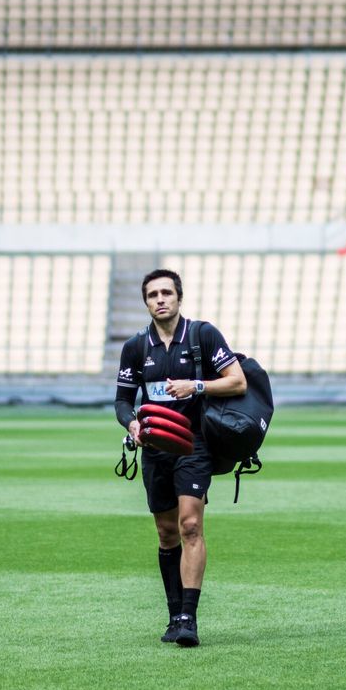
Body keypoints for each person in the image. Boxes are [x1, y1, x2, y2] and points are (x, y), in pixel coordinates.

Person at [114, 268, 246, 648]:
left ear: (178, 297)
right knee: (166, 532)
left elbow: (237, 381)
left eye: (166, 293)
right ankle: (174, 616)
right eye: (152, 294)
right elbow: (123, 401)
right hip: (155, 449)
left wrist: (197, 385)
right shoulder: (136, 347)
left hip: (194, 445)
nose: (160, 299)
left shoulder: (203, 335)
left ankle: (189, 617)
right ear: (146, 302)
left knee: (189, 526)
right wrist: (132, 423)